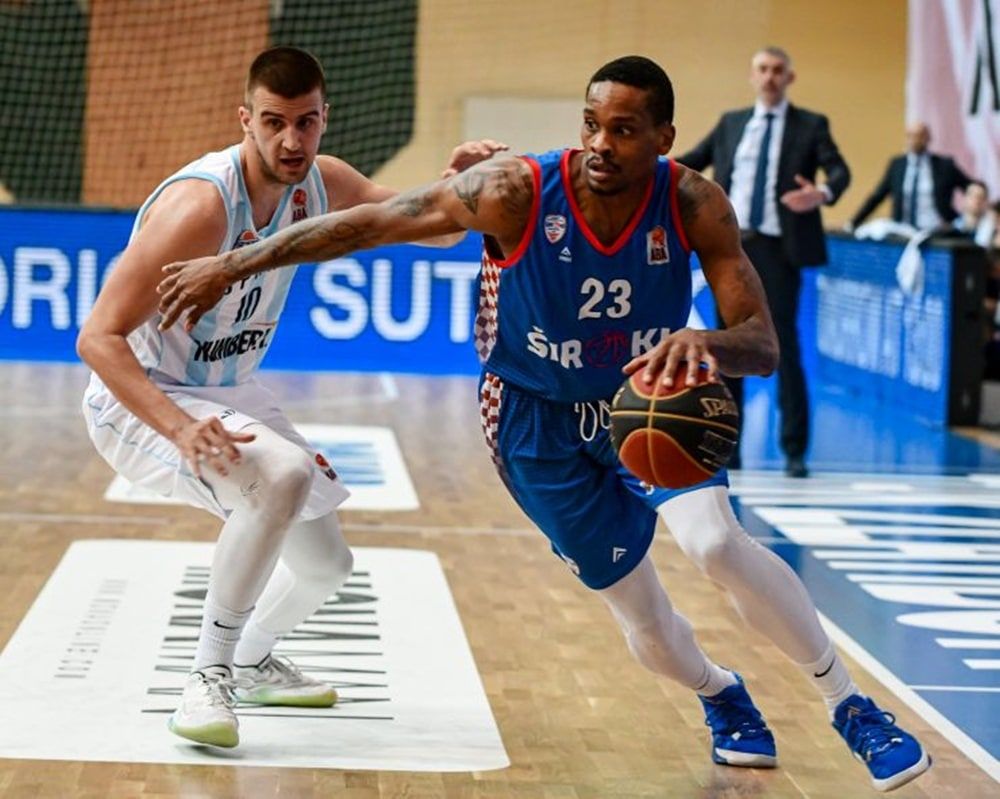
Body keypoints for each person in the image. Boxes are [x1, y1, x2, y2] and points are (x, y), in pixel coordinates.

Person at [153, 55, 931, 792]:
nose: (601, 143)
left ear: (663, 138)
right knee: (647, 621)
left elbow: (761, 344)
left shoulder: (694, 202)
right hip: (532, 421)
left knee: (716, 543)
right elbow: (370, 224)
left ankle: (851, 705)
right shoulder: (515, 191)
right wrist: (236, 261)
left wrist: (708, 341)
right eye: (592, 123)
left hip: (647, 400)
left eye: (624, 130)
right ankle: (720, 690)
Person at [76, 45, 505, 748]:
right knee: (281, 473)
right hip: (145, 398)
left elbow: (439, 229)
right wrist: (180, 429)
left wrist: (455, 185)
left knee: (325, 567)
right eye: (274, 122)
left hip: (228, 390)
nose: (290, 140)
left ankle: (250, 658)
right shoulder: (200, 208)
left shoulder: (324, 183)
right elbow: (97, 338)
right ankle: (206, 677)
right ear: (245, 119)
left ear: (324, 119)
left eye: (305, 122)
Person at [677, 47, 850, 478]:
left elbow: (840, 172)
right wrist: (645, 168)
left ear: (789, 78)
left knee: (783, 345)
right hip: (731, 249)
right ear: (753, 76)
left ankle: (794, 449)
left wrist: (822, 194)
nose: (770, 77)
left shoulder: (811, 125)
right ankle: (727, 445)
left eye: (777, 70)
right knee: (727, 345)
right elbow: (690, 163)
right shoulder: (732, 123)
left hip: (780, 248)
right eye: (763, 70)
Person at [849, 122, 972, 231]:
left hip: (936, 231)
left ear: (928, 138)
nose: (915, 140)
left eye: (920, 136)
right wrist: (853, 223)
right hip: (902, 232)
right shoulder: (897, 165)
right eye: (911, 136)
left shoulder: (944, 166)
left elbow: (971, 188)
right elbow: (877, 197)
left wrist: (967, 217)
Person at [954, 181, 996, 247]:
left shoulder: (993, 229)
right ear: (965, 198)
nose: (976, 200)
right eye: (972, 195)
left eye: (980, 197)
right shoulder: (953, 227)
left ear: (986, 202)